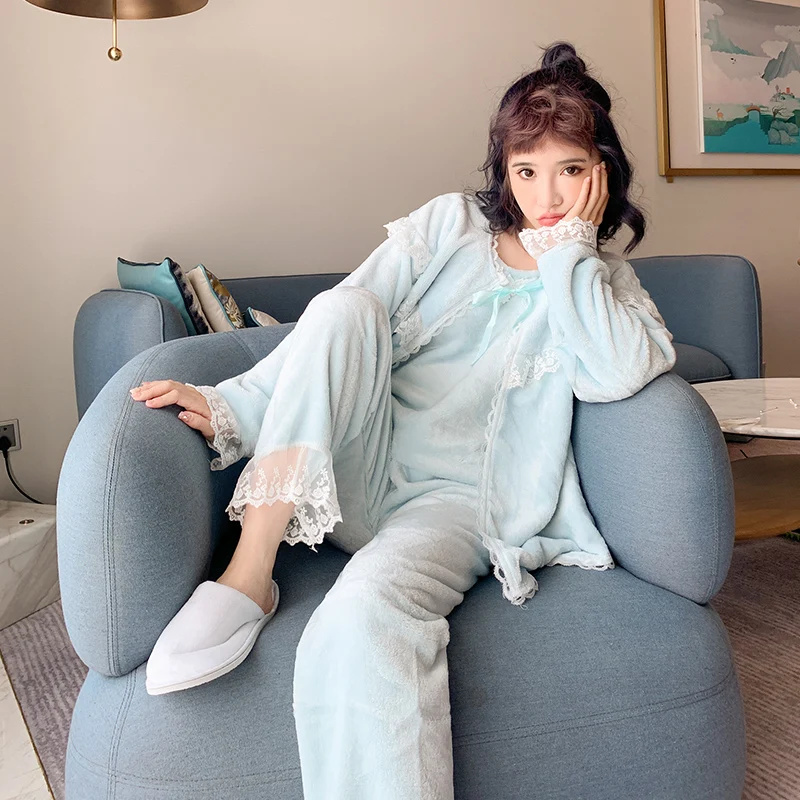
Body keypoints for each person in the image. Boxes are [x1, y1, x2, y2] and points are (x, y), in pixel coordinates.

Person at [130, 41, 676, 799]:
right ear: (504, 170)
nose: (547, 193)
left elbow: (620, 371)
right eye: (526, 170)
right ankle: (250, 574)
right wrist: (233, 402)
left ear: (602, 174)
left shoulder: (604, 281)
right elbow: (335, 321)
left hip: (457, 507)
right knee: (346, 308)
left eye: (571, 169)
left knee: (360, 621)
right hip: (362, 463)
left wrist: (569, 255)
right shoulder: (449, 225)